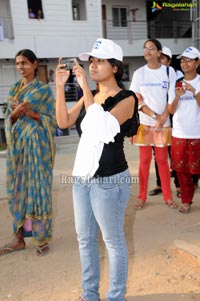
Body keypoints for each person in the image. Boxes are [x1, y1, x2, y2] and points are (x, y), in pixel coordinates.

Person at [56, 38, 138, 301]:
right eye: (91, 61)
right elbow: (63, 120)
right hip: (82, 178)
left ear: (115, 66)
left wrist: (85, 90)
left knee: (112, 241)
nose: (92, 66)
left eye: (99, 61)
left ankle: (116, 297)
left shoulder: (126, 98)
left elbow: (100, 127)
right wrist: (60, 88)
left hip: (110, 180)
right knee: (85, 239)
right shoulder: (90, 96)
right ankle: (89, 294)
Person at [0, 49, 57, 256]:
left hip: (36, 147)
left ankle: (41, 239)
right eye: (17, 63)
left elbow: (53, 121)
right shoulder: (14, 90)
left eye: (24, 63)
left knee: (38, 189)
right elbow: (8, 118)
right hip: (18, 148)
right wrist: (14, 114)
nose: (20, 67)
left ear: (34, 65)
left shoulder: (44, 91)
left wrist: (30, 113)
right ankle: (18, 239)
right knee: (18, 189)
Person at [130, 38, 178, 210]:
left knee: (162, 161)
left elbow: (172, 97)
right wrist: (155, 116)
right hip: (145, 123)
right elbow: (136, 99)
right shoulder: (139, 74)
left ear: (159, 52)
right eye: (145, 48)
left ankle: (168, 197)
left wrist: (163, 116)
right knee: (144, 161)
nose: (147, 51)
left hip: (163, 124)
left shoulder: (169, 72)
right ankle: (141, 197)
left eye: (151, 48)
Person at [168, 46, 200, 213]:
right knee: (181, 170)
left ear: (197, 62)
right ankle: (186, 200)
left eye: (189, 60)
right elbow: (170, 111)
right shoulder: (176, 83)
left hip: (198, 133)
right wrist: (177, 97)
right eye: (182, 60)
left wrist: (194, 92)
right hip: (179, 132)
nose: (184, 63)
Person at [149, 46, 181, 198]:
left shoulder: (176, 76)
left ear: (168, 61)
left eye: (162, 58)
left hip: (173, 121)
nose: (159, 61)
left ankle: (179, 186)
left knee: (174, 155)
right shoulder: (151, 75)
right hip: (157, 122)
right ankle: (160, 184)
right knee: (159, 155)